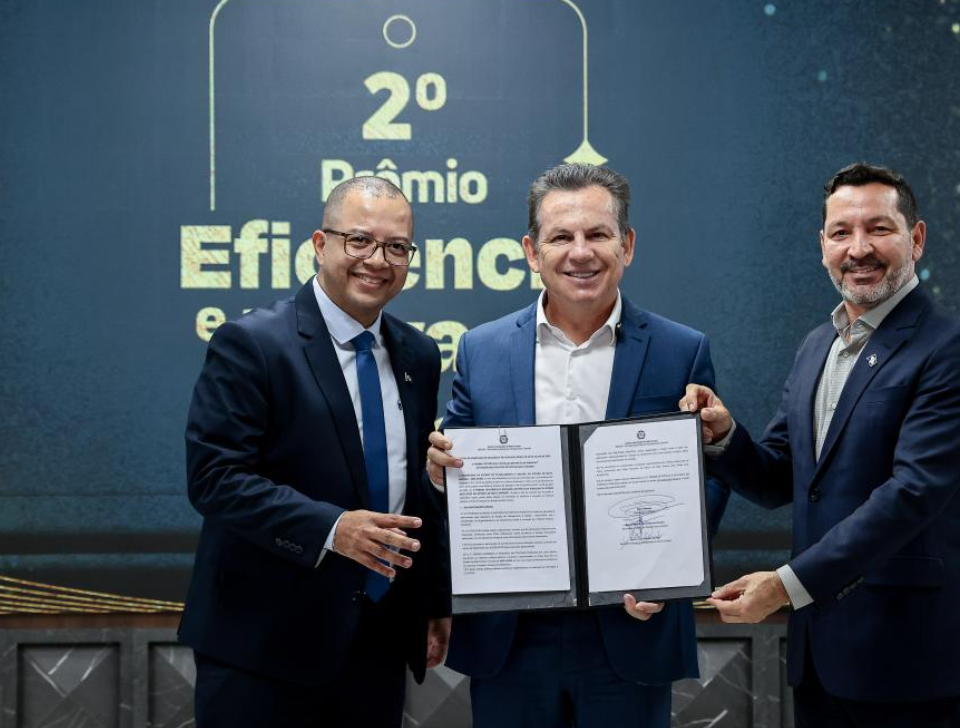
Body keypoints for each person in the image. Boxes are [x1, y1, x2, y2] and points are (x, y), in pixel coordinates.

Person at [690, 163, 960, 727]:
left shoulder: (957, 347)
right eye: (841, 232)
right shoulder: (818, 346)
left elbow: (912, 494)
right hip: (821, 656)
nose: (859, 248)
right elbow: (781, 477)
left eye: (878, 229)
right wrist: (726, 436)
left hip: (910, 659)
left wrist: (785, 586)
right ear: (823, 246)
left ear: (916, 238)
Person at [425, 163, 730, 728]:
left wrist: (669, 568)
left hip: (631, 627)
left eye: (598, 234)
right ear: (531, 252)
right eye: (561, 236)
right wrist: (439, 473)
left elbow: (709, 471)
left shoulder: (681, 350)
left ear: (627, 245)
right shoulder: (481, 350)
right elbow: (451, 479)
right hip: (510, 634)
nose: (580, 252)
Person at [179, 177, 450, 727]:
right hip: (263, 649)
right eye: (359, 240)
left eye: (397, 247)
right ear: (320, 244)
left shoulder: (419, 354)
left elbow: (412, 492)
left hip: (377, 643)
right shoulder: (252, 343)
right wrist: (332, 529)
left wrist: (431, 600)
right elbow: (215, 478)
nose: (378, 260)